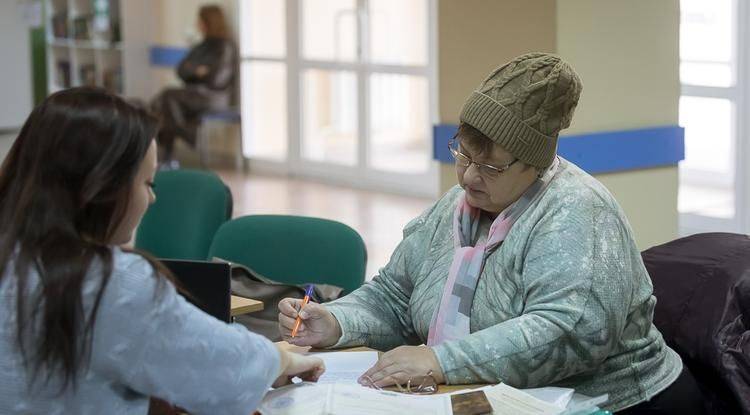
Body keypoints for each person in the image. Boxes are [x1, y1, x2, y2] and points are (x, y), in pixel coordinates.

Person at [278, 53, 706, 414]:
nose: (468, 176)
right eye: (463, 154)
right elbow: (395, 294)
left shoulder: (577, 213)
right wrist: (336, 322)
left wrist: (439, 360)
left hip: (617, 403)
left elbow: (567, 333)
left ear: (535, 164)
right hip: (489, 395)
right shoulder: (458, 205)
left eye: (491, 167)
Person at [0, 87, 324, 415]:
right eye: (147, 184)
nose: (151, 199)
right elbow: (224, 365)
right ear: (104, 188)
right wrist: (282, 359)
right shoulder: (110, 283)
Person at [151, 4, 237, 167]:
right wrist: (198, 71)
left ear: (209, 22)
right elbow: (181, 69)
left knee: (166, 98)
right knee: (164, 104)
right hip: (195, 94)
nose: (197, 24)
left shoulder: (225, 47)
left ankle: (172, 152)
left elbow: (216, 79)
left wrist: (195, 72)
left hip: (213, 97)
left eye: (200, 20)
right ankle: (183, 140)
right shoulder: (202, 45)